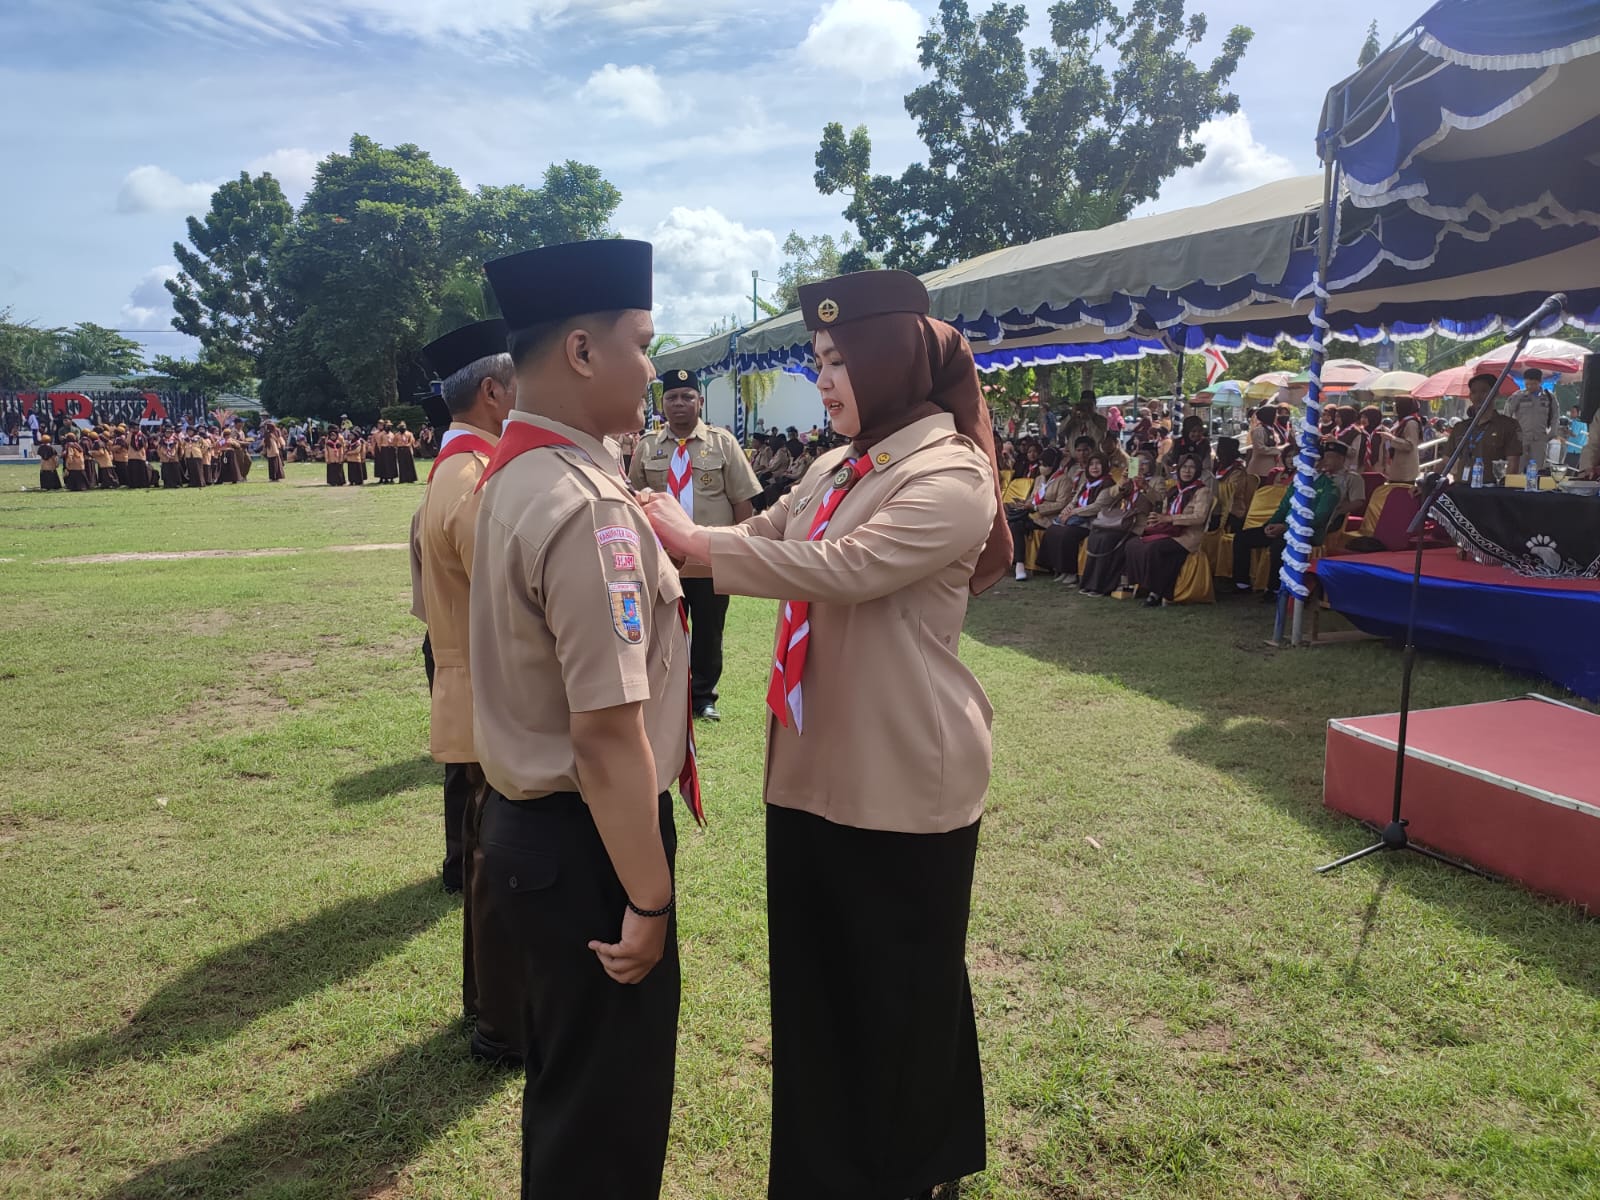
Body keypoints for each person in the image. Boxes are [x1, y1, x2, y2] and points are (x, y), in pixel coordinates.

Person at [643, 268, 1006, 1200]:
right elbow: (770, 524)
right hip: (810, 761)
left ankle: (914, 1166)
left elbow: (843, 567)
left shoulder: (951, 473)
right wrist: (663, 525)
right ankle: (828, 1168)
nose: (826, 381)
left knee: (902, 986)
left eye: (839, 361)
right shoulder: (840, 462)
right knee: (819, 988)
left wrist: (698, 546)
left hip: (899, 771)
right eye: (817, 362)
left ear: (891, 361)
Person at [470, 240, 698, 1200]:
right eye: (641, 344)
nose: (654, 369)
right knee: (606, 1118)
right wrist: (648, 901)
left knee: (573, 1103)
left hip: (538, 832)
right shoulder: (585, 506)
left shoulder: (515, 475)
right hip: (592, 845)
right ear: (579, 349)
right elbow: (607, 734)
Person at [408, 319, 519, 1067]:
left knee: (488, 859)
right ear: (491, 393)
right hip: (493, 699)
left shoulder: (450, 472)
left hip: (467, 686)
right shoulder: (477, 480)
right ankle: (500, 1020)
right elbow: (515, 603)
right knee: (500, 867)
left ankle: (491, 1009)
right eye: (523, 386)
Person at [629, 368, 762, 721]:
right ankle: (666, 695)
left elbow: (742, 503)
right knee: (663, 629)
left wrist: (738, 550)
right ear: (662, 404)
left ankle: (703, 696)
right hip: (661, 559)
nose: (679, 403)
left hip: (709, 558)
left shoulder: (723, 444)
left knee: (708, 628)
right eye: (672, 397)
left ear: (700, 401)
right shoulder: (646, 447)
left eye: (687, 396)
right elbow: (633, 502)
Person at [1231, 439, 1348, 596]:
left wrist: (1285, 528)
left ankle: (1274, 589)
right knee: (1242, 537)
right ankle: (1242, 584)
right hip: (1283, 527)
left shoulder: (1329, 487)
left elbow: (1319, 518)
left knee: (1280, 545)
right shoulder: (1297, 483)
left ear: (1320, 462)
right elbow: (1283, 508)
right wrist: (1270, 525)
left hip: (1308, 533)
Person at [1124, 454, 1212, 607]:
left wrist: (1170, 519)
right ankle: (1140, 583)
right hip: (1169, 531)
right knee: (1133, 543)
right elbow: (1164, 510)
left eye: (1192, 467)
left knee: (1155, 548)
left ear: (1197, 470)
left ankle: (1156, 591)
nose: (1187, 471)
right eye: (1184, 467)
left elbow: (1200, 517)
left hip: (1187, 536)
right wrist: (1157, 518)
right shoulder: (1174, 490)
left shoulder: (1202, 491)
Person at [1040, 451, 1116, 582]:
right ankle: (1059, 569)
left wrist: (1073, 512)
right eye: (1091, 464)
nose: (1094, 467)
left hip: (1092, 522)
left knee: (1067, 534)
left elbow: (1097, 507)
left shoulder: (1108, 484)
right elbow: (1073, 501)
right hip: (1076, 519)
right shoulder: (1085, 484)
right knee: (1053, 530)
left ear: (1104, 466)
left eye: (1098, 464)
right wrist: (1065, 512)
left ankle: (1071, 572)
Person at [1446, 372, 1523, 479]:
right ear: (1470, 396)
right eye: (1474, 392)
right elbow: (1446, 459)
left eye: (1484, 391)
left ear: (1495, 393)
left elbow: (1513, 463)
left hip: (1491, 490)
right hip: (1461, 489)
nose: (1478, 396)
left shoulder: (1508, 425)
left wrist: (1505, 491)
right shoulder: (1460, 427)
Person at [1506, 368, 1557, 474]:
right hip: (1521, 438)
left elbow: (1555, 417)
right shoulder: (1517, 396)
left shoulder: (1549, 397)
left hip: (1540, 438)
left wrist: (1551, 434)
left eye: (1533, 384)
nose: (1530, 387)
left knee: (1537, 470)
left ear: (1540, 382)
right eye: (1527, 384)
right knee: (1517, 469)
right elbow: (1507, 415)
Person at [1378, 396, 1425, 482]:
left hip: (1405, 470)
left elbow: (1410, 445)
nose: (1394, 406)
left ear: (1403, 406)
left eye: (1397, 403)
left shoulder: (1411, 423)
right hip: (1397, 467)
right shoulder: (1402, 421)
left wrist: (1391, 438)